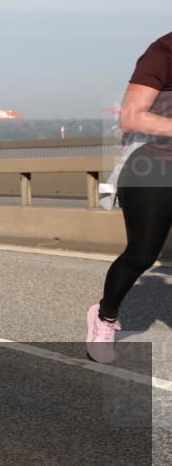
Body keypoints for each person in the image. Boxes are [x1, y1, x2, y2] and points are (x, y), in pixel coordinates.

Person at [87, 32, 172, 364]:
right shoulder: (162, 52)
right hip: (152, 165)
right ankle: (104, 317)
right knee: (142, 254)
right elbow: (131, 117)